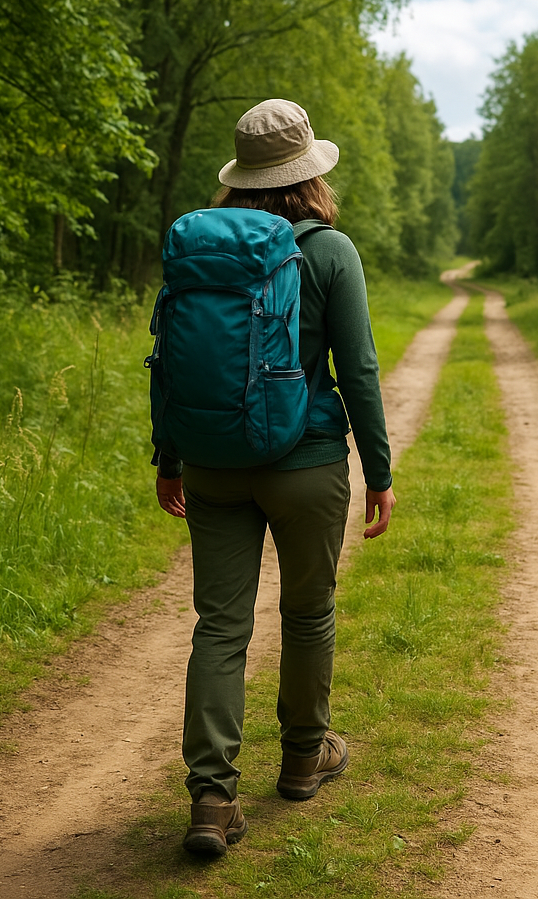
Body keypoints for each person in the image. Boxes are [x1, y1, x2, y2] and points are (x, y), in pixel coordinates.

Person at [153, 99, 396, 857]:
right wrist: (380, 471)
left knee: (221, 626)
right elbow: (356, 368)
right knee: (308, 613)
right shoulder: (330, 250)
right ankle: (301, 759)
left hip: (214, 463)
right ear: (308, 173)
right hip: (307, 463)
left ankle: (210, 798)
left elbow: (172, 358)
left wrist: (168, 456)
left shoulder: (202, 249)